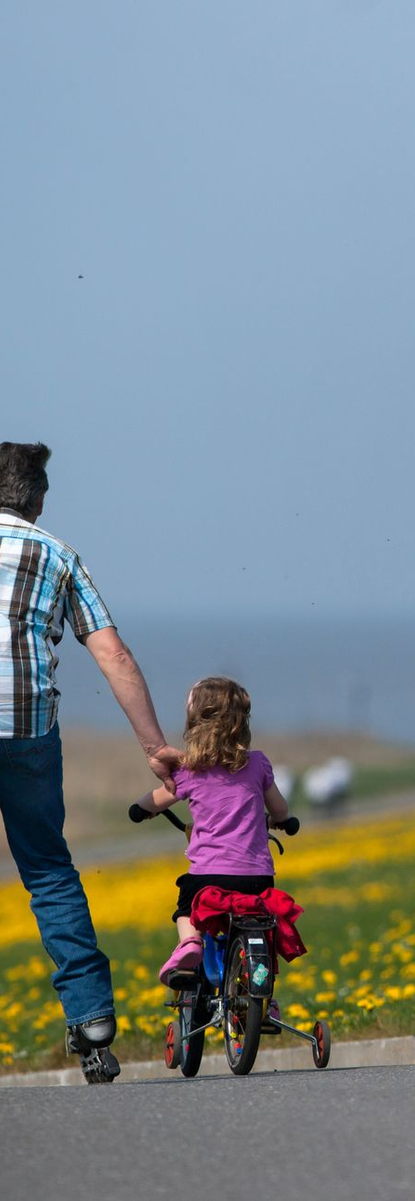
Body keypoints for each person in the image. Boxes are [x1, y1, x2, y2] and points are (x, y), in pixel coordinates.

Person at [0, 441, 181, 1083]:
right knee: (48, 872)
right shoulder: (57, 555)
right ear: (39, 500)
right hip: (27, 733)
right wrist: (155, 748)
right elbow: (115, 657)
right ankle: (93, 1023)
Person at [131, 677, 292, 985]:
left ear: (195, 721)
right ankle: (265, 998)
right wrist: (280, 819)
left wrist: (141, 809)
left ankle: (190, 943)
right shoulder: (257, 763)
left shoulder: (191, 769)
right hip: (257, 878)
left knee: (186, 908)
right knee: (262, 927)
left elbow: (155, 800)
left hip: (208, 877)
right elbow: (281, 809)